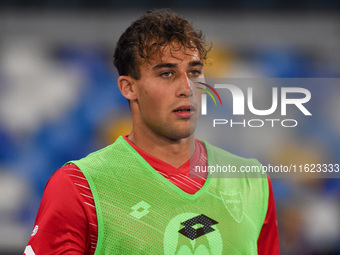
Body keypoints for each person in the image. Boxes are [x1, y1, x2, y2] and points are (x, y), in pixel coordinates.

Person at [24, 9, 279, 254]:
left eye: (194, 72)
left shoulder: (252, 180)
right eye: (167, 73)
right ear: (128, 88)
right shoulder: (79, 186)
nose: (186, 88)